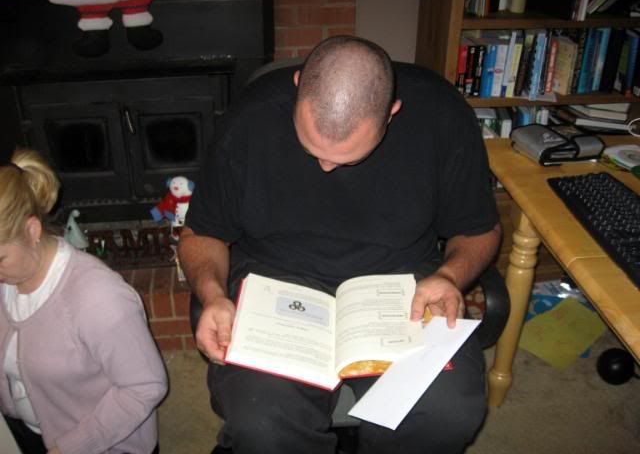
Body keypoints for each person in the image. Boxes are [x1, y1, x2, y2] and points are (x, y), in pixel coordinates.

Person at [178, 35, 502, 454]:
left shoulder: (443, 116)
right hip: (275, 281)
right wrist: (213, 295)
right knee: (264, 425)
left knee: (445, 412)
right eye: (311, 147)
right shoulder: (249, 118)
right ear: (298, 85)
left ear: (392, 112)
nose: (326, 166)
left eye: (348, 158)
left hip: (402, 285)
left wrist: (450, 276)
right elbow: (202, 233)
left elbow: (479, 229)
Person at [0, 148, 168, 454]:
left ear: (32, 230)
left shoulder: (99, 298)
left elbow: (145, 387)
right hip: (29, 433)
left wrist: (70, 448)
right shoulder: (8, 279)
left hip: (102, 446)